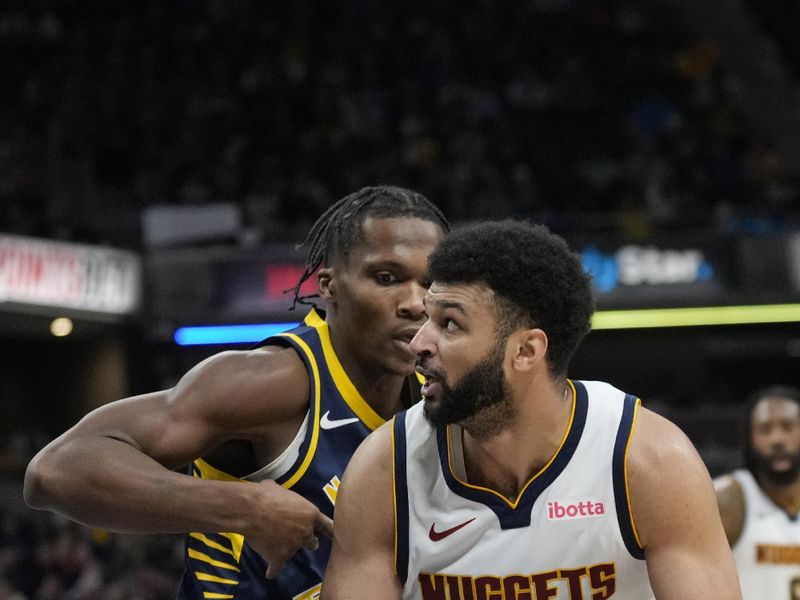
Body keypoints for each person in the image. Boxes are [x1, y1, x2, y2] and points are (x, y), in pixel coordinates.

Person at [23, 185, 450, 599]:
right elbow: (56, 470)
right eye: (386, 277)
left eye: (431, 283)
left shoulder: (444, 397)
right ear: (329, 287)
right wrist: (244, 507)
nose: (414, 302)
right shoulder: (278, 381)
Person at [322, 220, 741, 600]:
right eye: (428, 320)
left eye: (449, 324)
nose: (419, 343)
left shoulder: (648, 462)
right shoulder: (385, 470)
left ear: (525, 351)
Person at [714, 385, 800, 600]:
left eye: (788, 427)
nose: (777, 440)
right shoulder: (727, 500)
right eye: (765, 429)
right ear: (750, 439)